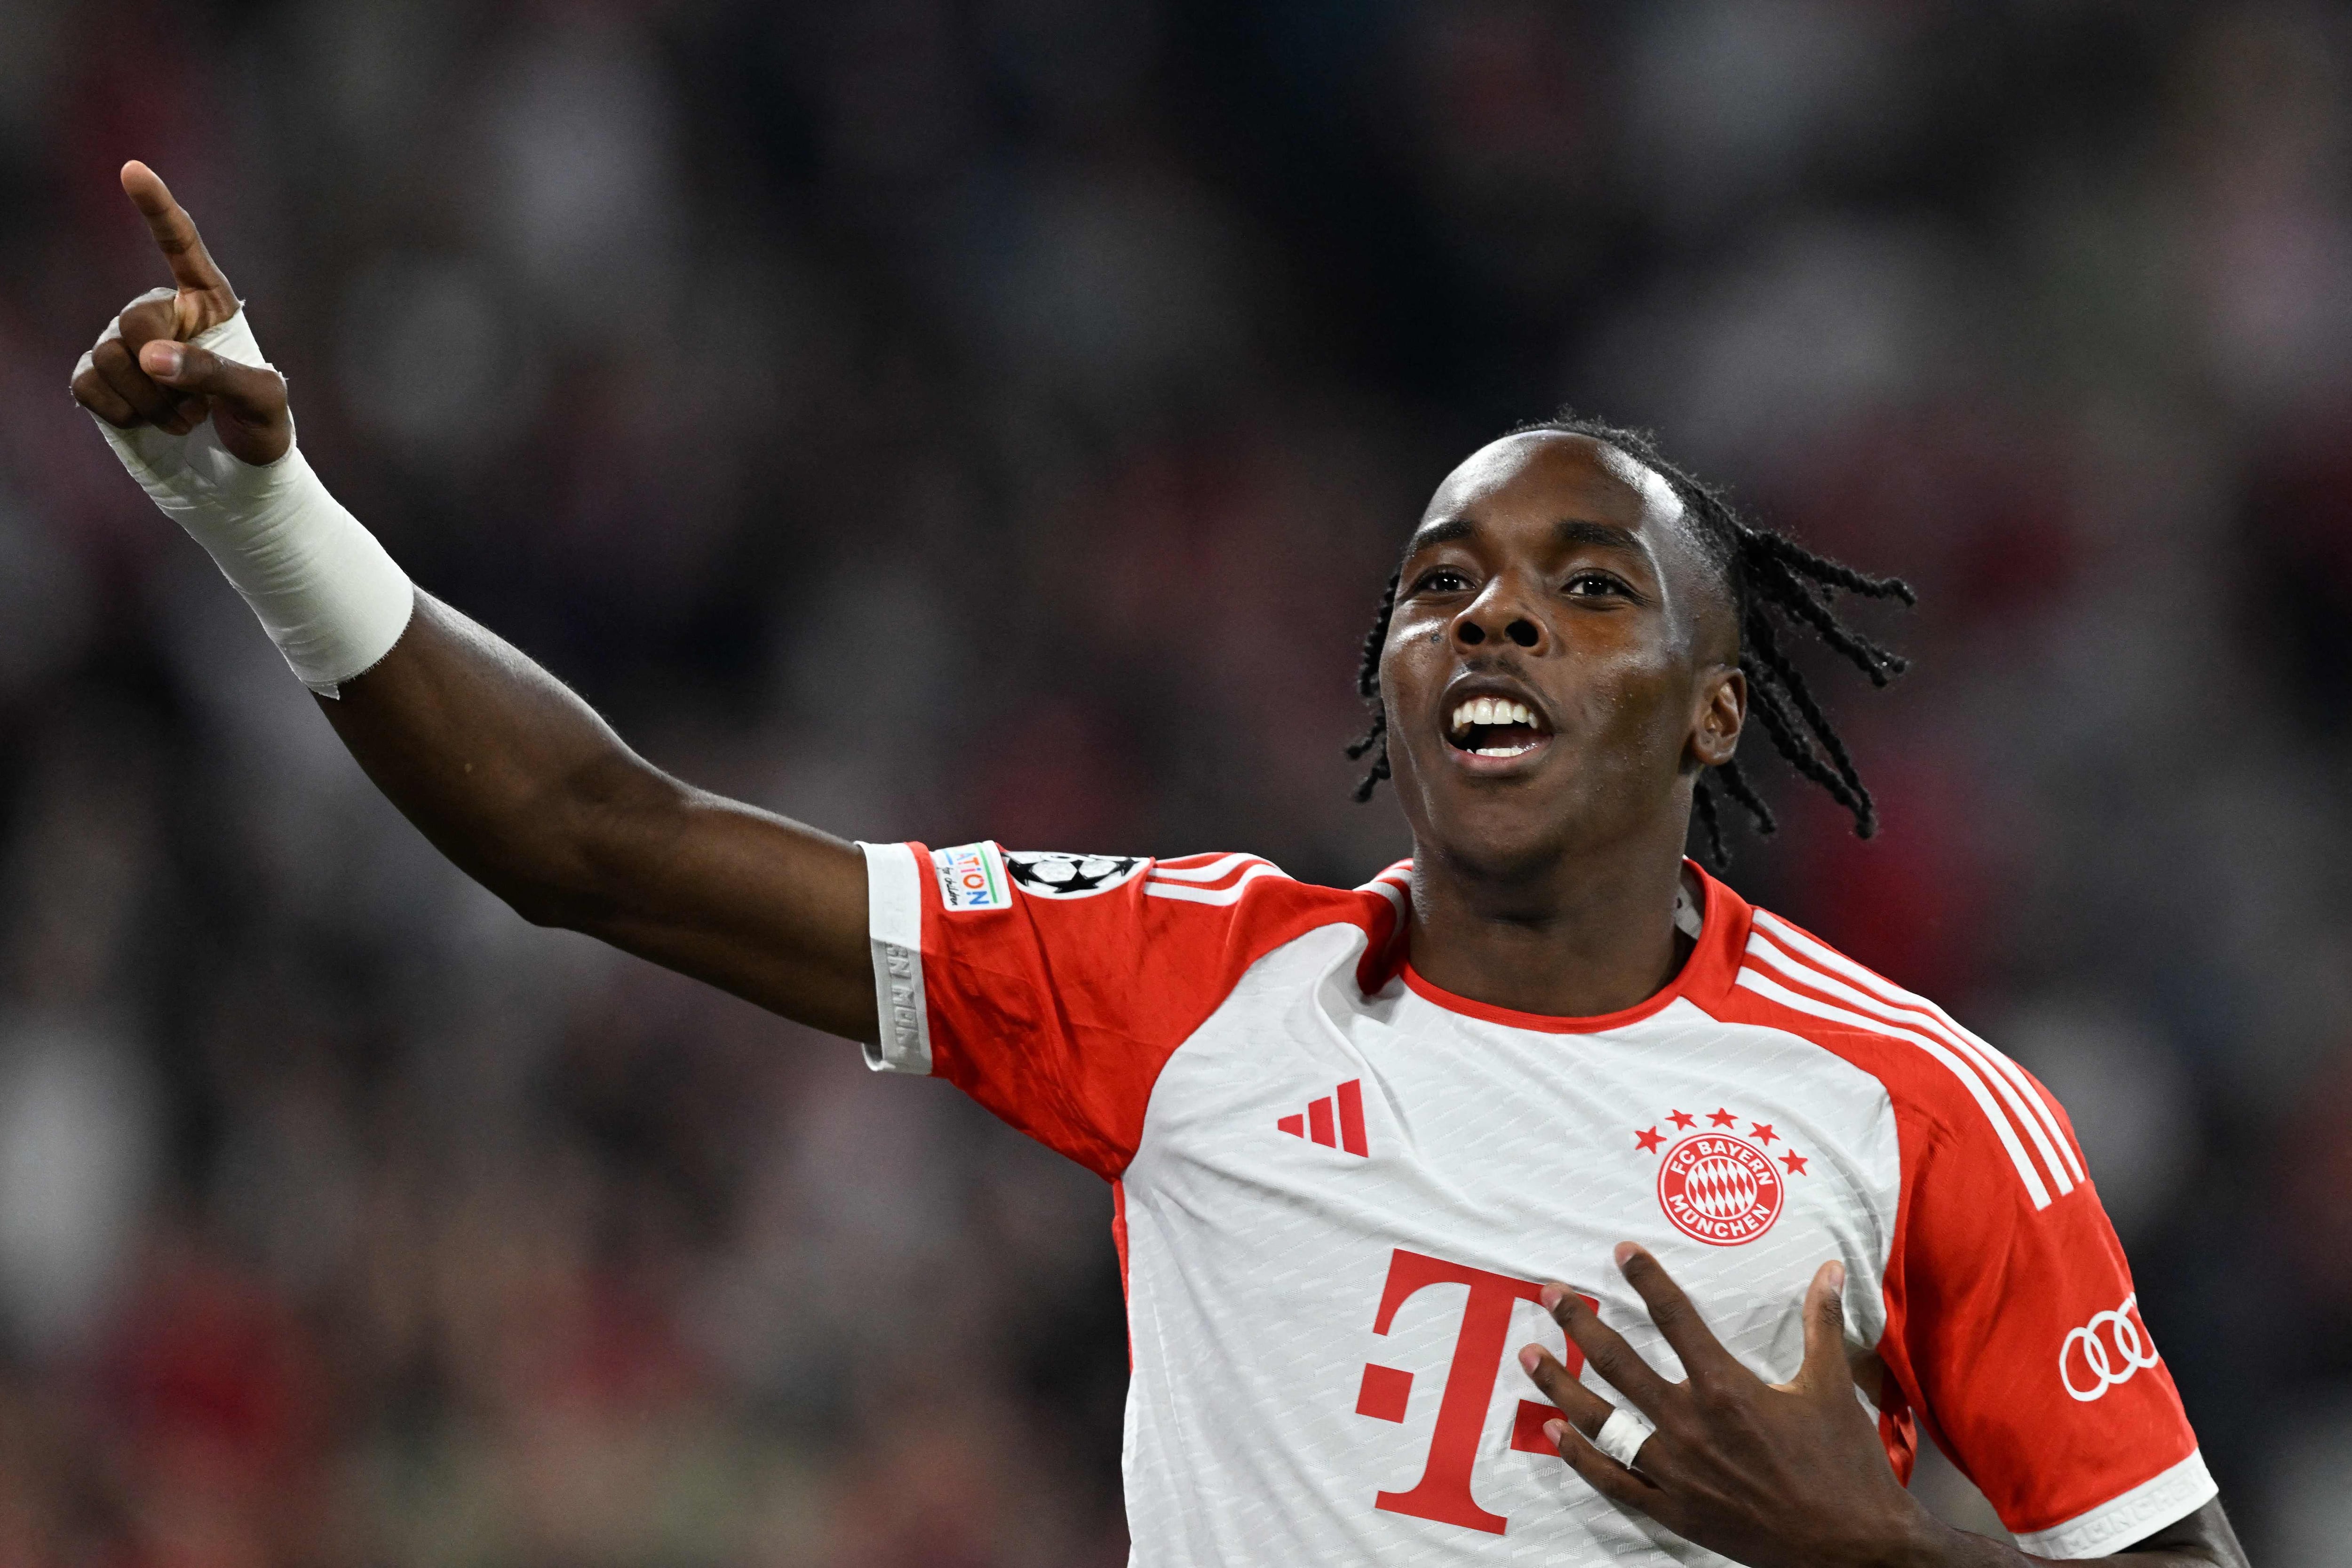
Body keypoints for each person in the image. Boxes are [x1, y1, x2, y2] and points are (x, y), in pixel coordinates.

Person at [70, 162, 2249, 1568]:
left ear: (1705, 706)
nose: (1485, 618)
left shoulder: (1916, 1110)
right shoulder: (1190, 981)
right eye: (1436, 582)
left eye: (1585, 588)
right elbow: (590, 844)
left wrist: (1860, 1561)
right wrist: (260, 516)